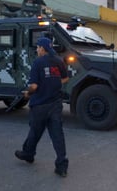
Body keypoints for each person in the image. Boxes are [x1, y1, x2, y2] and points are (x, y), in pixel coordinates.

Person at [15, 37, 69, 177]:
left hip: (39, 105)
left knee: (35, 132)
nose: (37, 49)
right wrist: (54, 84)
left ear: (43, 49)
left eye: (38, 47)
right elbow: (65, 78)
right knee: (57, 135)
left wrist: (28, 93)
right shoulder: (58, 61)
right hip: (55, 104)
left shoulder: (38, 63)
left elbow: (34, 86)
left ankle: (28, 154)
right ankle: (61, 166)